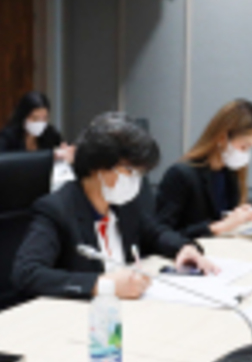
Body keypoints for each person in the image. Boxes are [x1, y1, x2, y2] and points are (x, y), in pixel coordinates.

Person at [12, 112, 218, 300]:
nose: (136, 182)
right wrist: (101, 285)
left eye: (140, 174)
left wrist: (184, 248)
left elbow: (156, 234)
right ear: (99, 167)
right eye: (130, 171)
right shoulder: (57, 209)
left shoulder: (124, 206)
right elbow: (26, 274)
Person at [156, 99, 252, 239]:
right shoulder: (181, 175)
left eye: (250, 148)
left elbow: (230, 215)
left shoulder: (230, 172)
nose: (246, 155)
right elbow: (161, 235)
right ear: (222, 138)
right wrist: (218, 227)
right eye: (244, 147)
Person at [0, 91, 74, 162]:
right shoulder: (7, 137)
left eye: (44, 118)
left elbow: (62, 149)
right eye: (35, 118)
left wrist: (66, 153)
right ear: (24, 117)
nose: (40, 123)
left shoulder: (51, 134)